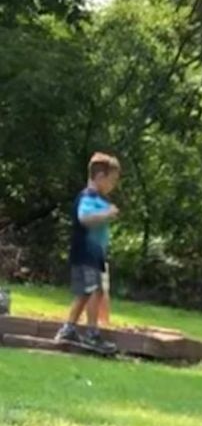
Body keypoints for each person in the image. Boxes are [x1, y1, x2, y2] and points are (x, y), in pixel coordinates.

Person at [54, 152, 121, 356]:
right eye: (112, 180)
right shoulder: (87, 197)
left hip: (94, 254)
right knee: (93, 291)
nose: (113, 185)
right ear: (100, 177)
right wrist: (107, 214)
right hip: (85, 253)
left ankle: (68, 329)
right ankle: (92, 334)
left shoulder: (98, 199)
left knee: (85, 292)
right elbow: (84, 218)